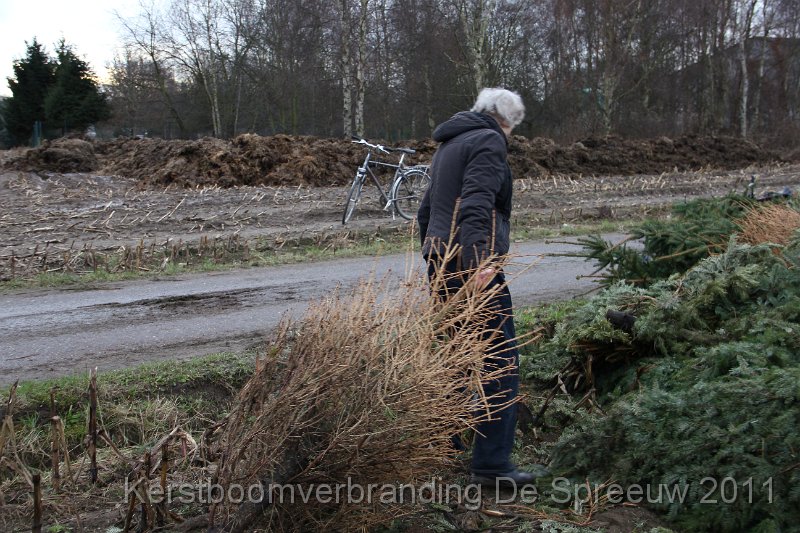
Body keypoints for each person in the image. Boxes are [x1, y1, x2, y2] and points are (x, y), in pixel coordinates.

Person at [417, 87, 537, 487]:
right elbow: (477, 203)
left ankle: (442, 446)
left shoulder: (449, 142)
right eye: (513, 127)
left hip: (442, 259)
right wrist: (481, 262)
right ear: (507, 121)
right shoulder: (488, 140)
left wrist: (434, 256)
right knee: (499, 359)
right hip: (472, 264)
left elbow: (427, 209)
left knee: (456, 354)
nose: (511, 135)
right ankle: (492, 465)